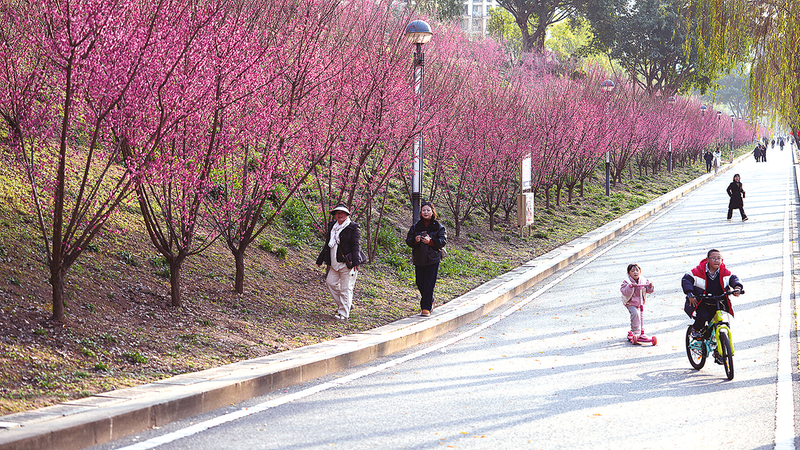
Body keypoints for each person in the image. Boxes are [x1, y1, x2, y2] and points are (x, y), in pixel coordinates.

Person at [682, 249, 743, 339]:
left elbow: (733, 279)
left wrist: (737, 287)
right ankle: (696, 330)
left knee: (717, 321)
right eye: (713, 258)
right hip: (702, 300)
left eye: (719, 258)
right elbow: (686, 279)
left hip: (717, 301)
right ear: (707, 259)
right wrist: (690, 293)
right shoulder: (698, 271)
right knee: (703, 316)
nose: (716, 260)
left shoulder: (724, 272)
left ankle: (718, 345)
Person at [316, 203, 362, 320]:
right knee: (330, 283)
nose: (339, 215)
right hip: (334, 262)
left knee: (346, 288)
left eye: (342, 213)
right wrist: (320, 260)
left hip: (348, 263)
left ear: (347, 215)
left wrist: (356, 263)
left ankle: (343, 314)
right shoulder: (333, 226)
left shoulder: (353, 227)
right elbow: (327, 245)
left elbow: (355, 246)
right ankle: (346, 304)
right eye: (337, 213)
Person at [405, 201, 447, 317]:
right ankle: (431, 299)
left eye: (428, 210)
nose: (426, 212)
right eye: (424, 210)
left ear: (432, 212)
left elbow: (442, 241)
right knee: (419, 282)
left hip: (432, 258)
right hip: (419, 258)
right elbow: (408, 241)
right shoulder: (416, 226)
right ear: (421, 212)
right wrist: (416, 240)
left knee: (429, 283)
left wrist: (431, 242)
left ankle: (426, 308)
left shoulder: (438, 226)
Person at [620, 264, 655, 340]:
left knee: (638, 315)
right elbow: (624, 291)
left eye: (637, 270)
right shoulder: (627, 281)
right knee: (635, 314)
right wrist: (630, 286)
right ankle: (636, 331)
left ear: (640, 272)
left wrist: (650, 286)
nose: (635, 272)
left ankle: (634, 330)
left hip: (640, 302)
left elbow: (649, 291)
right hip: (630, 302)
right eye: (632, 271)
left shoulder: (644, 280)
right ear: (629, 273)